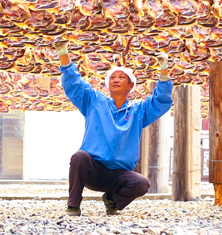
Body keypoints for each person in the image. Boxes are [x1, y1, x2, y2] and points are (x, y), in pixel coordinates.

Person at [54, 39, 173, 216]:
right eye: (112, 77)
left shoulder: (138, 111)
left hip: (119, 175)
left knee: (141, 183)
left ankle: (112, 200)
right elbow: (75, 84)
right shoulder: (95, 101)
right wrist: (63, 54)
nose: (116, 80)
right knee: (79, 156)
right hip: (92, 170)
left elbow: (160, 102)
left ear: (131, 85)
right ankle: (73, 205)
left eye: (121, 77)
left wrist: (163, 73)